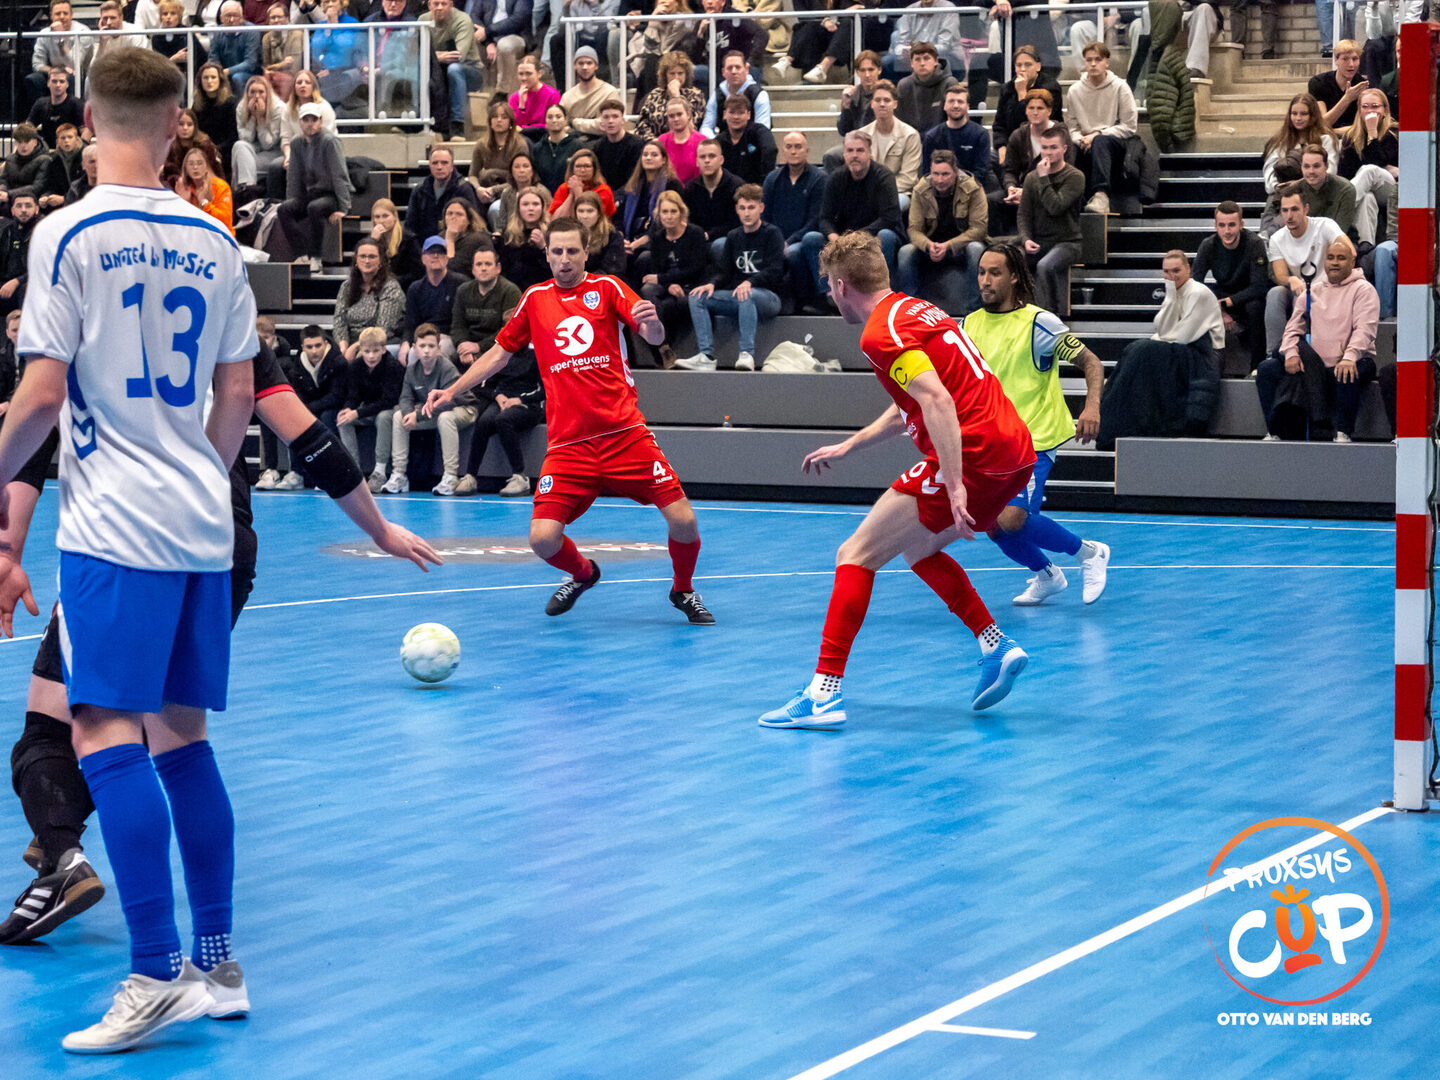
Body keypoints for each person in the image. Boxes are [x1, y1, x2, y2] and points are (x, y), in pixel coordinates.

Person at [0, 45, 257, 1053]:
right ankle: (218, 965)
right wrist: (191, 472)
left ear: (87, 124)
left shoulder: (66, 233)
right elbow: (237, 394)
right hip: (202, 520)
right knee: (183, 742)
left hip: (115, 526)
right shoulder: (217, 239)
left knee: (104, 733)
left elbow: (41, 396)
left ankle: (153, 974)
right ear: (174, 126)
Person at [757, 232, 1035, 729]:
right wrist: (851, 444)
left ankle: (824, 694)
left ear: (841, 286)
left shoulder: (878, 334)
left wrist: (955, 484)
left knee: (854, 554)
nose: (829, 293)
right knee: (918, 550)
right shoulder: (915, 310)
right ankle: (995, 645)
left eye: (829, 284)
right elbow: (917, 398)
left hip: (974, 452)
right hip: (1015, 451)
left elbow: (937, 401)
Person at [425, 216, 716, 624]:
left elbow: (652, 335)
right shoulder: (535, 299)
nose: (564, 259)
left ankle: (682, 590)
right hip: (569, 445)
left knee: (684, 521)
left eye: (572, 251)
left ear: (586, 253)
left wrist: (653, 324)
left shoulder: (608, 288)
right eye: (557, 251)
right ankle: (583, 573)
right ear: (547, 255)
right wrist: (452, 390)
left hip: (624, 434)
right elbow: (498, 355)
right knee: (543, 540)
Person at [963, 242, 1109, 605]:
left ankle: (1089, 553)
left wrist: (1091, 407)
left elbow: (1091, 362)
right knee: (992, 525)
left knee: (1012, 518)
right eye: (981, 272)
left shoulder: (1039, 323)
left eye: (995, 273)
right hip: (990, 442)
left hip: (1032, 439)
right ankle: (1047, 576)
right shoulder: (969, 324)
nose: (985, 280)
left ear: (1014, 277)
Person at [1259, 235, 1379, 443]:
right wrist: (1291, 354)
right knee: (1267, 369)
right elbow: (1292, 329)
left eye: (1341, 258)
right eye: (1330, 258)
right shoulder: (1312, 290)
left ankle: (1343, 432)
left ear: (1352, 262)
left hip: (1354, 358)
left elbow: (1364, 330)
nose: (1334, 262)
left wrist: (1350, 357)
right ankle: (1275, 430)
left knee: (1347, 372)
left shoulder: (1364, 290)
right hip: (1314, 364)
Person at [455, 253, 541, 497]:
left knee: (503, 420)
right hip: (502, 398)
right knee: (484, 421)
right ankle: (470, 475)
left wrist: (519, 400)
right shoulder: (501, 353)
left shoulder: (536, 352)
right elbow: (484, 384)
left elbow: (544, 389)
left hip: (530, 403)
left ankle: (520, 477)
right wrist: (499, 396)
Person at [678, 184, 785, 372]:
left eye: (751, 207)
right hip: (739, 296)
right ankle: (706, 356)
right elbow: (725, 272)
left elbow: (775, 270)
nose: (747, 213)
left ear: (761, 208)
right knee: (697, 296)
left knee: (746, 293)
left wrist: (750, 282)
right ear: (737, 209)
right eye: (742, 208)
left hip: (768, 297)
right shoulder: (734, 236)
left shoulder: (772, 233)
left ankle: (746, 354)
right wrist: (712, 284)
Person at [804, 131, 904, 294]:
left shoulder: (884, 177)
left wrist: (856, 238)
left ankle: (880, 293)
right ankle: (831, 294)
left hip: (874, 236)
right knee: (811, 239)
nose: (854, 155)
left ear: (870, 153)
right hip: (843, 239)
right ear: (844, 154)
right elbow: (824, 218)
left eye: (860, 150)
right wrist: (834, 238)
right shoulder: (836, 178)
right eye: (850, 150)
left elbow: (890, 218)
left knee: (886, 236)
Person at [385, 323, 479, 493]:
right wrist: (409, 414)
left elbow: (447, 402)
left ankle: (450, 477)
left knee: (445, 417)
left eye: (431, 346)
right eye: (422, 346)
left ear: (438, 348)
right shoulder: (411, 370)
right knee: (399, 416)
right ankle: (399, 475)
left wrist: (417, 415)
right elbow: (405, 398)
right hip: (434, 411)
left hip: (464, 408)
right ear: (414, 348)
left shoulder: (446, 367)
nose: (427, 351)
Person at [897, 150, 987, 315]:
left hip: (961, 247)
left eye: (945, 174)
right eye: (935, 174)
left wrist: (949, 245)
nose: (939, 179)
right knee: (905, 252)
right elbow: (914, 229)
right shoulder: (920, 189)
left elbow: (979, 229)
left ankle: (974, 311)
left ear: (956, 171)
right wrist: (928, 245)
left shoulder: (972, 188)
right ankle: (911, 311)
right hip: (931, 247)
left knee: (976, 249)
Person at [1264, 183, 1343, 362]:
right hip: (1301, 289)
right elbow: (1280, 275)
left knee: (1303, 297)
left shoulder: (1325, 225)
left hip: (1328, 288)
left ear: (1306, 209)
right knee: (1276, 293)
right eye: (1285, 210)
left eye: (1294, 209)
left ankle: (1306, 354)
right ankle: (1274, 355)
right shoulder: (1277, 238)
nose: (1289, 215)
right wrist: (1291, 279)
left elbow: (1348, 251)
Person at [1192, 200, 1271, 371]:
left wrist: (1227, 302)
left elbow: (1259, 286)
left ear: (1241, 225)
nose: (1227, 231)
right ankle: (1204, 368)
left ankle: (1257, 367)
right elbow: (1194, 283)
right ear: (1216, 226)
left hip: (1248, 296)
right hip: (1222, 294)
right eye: (1222, 225)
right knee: (1195, 301)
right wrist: (1219, 309)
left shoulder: (1254, 243)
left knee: (1255, 306)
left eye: (1232, 225)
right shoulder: (1208, 245)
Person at [1017, 125, 1084, 317]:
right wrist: (1025, 239)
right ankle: (1016, 312)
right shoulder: (1031, 178)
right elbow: (1023, 214)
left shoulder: (1075, 177)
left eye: (1053, 147)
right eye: (1044, 147)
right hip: (1039, 240)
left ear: (1064, 149)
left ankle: (1051, 316)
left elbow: (1055, 207)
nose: (1048, 152)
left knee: (1045, 266)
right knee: (1009, 257)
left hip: (1067, 242)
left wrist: (1044, 178)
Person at [1065, 42, 1137, 216]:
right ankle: (1070, 197)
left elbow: (1129, 126)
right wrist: (1081, 140)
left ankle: (1101, 195)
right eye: (1089, 60)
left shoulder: (1120, 87)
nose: (1093, 64)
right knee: (1068, 147)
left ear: (1107, 62)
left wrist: (1097, 134)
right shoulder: (1074, 91)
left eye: (1098, 59)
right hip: (1085, 143)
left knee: (1100, 141)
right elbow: (1072, 128)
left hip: (1114, 144)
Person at [637, 191, 707, 368]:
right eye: (665, 212)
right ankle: (663, 347)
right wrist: (668, 284)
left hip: (691, 284)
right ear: (659, 215)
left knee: (672, 304)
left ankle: (663, 347)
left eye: (673, 211)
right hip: (666, 284)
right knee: (647, 290)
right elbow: (656, 269)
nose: (669, 216)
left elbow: (696, 269)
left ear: (681, 213)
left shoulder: (695, 233)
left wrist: (663, 279)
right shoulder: (658, 238)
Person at [279, 102, 352, 272]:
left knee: (315, 207)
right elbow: (294, 177)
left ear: (320, 121)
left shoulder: (330, 141)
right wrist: (292, 201)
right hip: (311, 193)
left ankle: (316, 256)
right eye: (306, 120)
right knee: (284, 209)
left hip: (330, 194)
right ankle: (301, 254)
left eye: (314, 119)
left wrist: (344, 207)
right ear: (300, 122)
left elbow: (339, 175)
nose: (310, 123)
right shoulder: (296, 143)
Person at [763, 131, 826, 304]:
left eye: (798, 147)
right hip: (775, 239)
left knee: (793, 252)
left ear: (807, 151)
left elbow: (815, 220)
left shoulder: (819, 179)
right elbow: (765, 215)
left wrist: (789, 242)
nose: (793, 151)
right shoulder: (772, 179)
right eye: (789, 147)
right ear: (783, 151)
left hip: (802, 240)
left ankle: (808, 302)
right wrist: (775, 241)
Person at [337, 325, 406, 474]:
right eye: (367, 351)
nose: (371, 356)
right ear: (361, 350)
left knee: (383, 417)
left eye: (376, 351)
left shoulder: (392, 366)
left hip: (390, 408)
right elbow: (353, 395)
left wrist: (358, 413)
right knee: (343, 420)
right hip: (368, 409)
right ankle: (353, 470)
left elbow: (389, 400)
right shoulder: (356, 366)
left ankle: (379, 470)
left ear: (384, 349)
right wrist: (348, 408)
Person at [1338, 88, 1397, 248]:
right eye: (1365, 107)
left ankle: (1336, 215)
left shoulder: (1394, 132)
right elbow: (1345, 174)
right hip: (1365, 188)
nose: (1370, 111)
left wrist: (1372, 132)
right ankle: (1366, 248)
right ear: (1359, 110)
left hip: (1390, 190)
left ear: (1385, 109)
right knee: (1366, 199)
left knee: (1369, 170)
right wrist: (1387, 166)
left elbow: (1377, 161)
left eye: (1375, 106)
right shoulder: (1351, 136)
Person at [420, 0, 483, 139]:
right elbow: (415, 53)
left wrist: (430, 55)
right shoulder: (423, 20)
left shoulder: (462, 20)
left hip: (470, 70)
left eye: (444, 4)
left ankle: (457, 126)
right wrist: (438, 56)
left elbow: (458, 56)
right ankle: (417, 124)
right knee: (423, 71)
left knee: (454, 70)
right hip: (440, 68)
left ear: (451, 5)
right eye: (436, 4)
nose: (439, 7)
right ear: (429, 5)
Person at [333, 238, 407, 358]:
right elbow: (339, 321)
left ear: (380, 261)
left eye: (372, 257)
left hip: (377, 344)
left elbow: (383, 327)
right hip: (349, 344)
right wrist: (343, 347)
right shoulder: (346, 286)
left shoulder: (391, 287)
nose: (367, 261)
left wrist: (356, 347)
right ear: (356, 260)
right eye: (362, 256)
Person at [858, 81, 922, 209]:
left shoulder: (910, 135)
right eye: (878, 100)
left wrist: (881, 191)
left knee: (894, 203)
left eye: (887, 100)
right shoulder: (862, 135)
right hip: (868, 191)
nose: (882, 104)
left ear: (895, 104)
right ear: (872, 104)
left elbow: (908, 178)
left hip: (899, 192)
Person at [1261, 94, 1337, 200]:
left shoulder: (1325, 140)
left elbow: (1330, 172)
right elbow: (1269, 174)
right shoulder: (1280, 141)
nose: (1298, 118)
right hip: (1284, 194)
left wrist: (1299, 185)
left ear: (1313, 116)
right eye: (1294, 113)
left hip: (1316, 194)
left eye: (1304, 114)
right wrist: (1280, 187)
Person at [403, 236, 467, 360]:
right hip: (423, 337)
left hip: (450, 338)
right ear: (423, 259)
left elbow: (462, 323)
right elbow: (410, 324)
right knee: (411, 354)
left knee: (437, 352)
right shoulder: (415, 288)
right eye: (431, 252)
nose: (436, 255)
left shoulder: (461, 284)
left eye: (441, 252)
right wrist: (405, 343)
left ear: (447, 258)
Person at [991, 44, 1062, 155]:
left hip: (1044, 141)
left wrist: (1022, 93)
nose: (1023, 69)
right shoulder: (1007, 89)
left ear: (1038, 66)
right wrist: (1001, 147)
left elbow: (1032, 122)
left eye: (1028, 65)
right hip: (1012, 144)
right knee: (992, 157)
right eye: (1019, 65)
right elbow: (999, 125)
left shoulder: (1051, 88)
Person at [615, 139, 683, 254]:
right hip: (630, 237)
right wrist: (621, 237)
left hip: (658, 239)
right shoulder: (633, 185)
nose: (648, 158)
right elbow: (618, 217)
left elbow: (670, 220)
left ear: (663, 160)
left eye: (654, 155)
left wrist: (641, 241)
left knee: (644, 257)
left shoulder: (672, 185)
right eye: (645, 154)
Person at [406, 144, 480, 243]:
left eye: (444, 163)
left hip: (456, 244)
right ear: (430, 165)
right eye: (435, 163)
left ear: (452, 166)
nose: (439, 167)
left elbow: (474, 224)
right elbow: (410, 227)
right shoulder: (420, 190)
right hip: (424, 246)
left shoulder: (464, 189)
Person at [683, 140, 742, 254]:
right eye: (702, 157)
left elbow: (736, 223)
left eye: (712, 156)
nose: (707, 161)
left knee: (719, 246)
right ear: (697, 162)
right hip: (698, 240)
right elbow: (687, 219)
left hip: (728, 241)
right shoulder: (690, 188)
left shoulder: (736, 187)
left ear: (721, 160)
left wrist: (708, 235)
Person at [233, 75, 287, 198]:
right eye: (252, 92)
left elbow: (268, 144)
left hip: (273, 153)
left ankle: (244, 192)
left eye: (261, 92)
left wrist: (260, 119)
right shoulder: (241, 107)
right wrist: (252, 118)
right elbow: (245, 139)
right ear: (247, 93)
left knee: (241, 164)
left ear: (267, 93)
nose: (256, 96)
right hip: (252, 151)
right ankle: (249, 188)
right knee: (239, 146)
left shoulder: (278, 108)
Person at [921, 83, 989, 179]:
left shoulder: (980, 134)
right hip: (938, 185)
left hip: (971, 186)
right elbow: (927, 173)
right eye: (951, 101)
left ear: (968, 106)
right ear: (944, 106)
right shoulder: (932, 136)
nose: (956, 105)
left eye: (960, 102)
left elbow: (981, 172)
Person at [635, 50, 706, 140]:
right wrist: (655, 142)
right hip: (656, 144)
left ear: (686, 74)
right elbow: (642, 125)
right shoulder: (655, 94)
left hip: (685, 143)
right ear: (665, 75)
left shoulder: (696, 95)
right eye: (672, 73)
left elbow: (691, 128)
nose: (676, 77)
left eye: (680, 73)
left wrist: (676, 97)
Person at [701, 50, 773, 137]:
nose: (734, 71)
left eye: (738, 67)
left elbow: (763, 130)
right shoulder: (717, 95)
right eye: (729, 68)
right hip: (723, 144)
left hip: (753, 143)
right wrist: (715, 143)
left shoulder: (760, 95)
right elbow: (706, 127)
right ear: (723, 72)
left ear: (746, 69)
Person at [28, 1, 83, 106]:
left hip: (77, 74)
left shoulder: (82, 31)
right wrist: (53, 71)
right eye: (58, 14)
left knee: (70, 78)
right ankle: (39, 113)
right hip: (53, 72)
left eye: (65, 13)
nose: (62, 17)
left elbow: (75, 63)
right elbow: (37, 64)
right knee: (33, 79)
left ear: (71, 15)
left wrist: (61, 38)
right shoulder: (44, 33)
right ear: (51, 16)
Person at [497, 187, 553, 291]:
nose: (530, 208)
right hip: (516, 291)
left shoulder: (552, 233)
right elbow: (505, 271)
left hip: (543, 289)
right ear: (518, 209)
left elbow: (556, 270)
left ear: (542, 208)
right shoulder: (509, 235)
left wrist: (543, 247)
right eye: (525, 204)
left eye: (535, 204)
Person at [716, 94, 778, 186]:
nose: (736, 117)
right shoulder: (719, 140)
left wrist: (764, 184)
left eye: (740, 113)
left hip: (757, 190)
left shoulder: (760, 132)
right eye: (732, 112)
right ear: (725, 114)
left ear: (748, 115)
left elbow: (771, 150)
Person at [896, 41, 957, 135]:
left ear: (936, 61)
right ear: (911, 63)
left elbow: (955, 121)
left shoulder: (949, 83)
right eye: (917, 59)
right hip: (912, 140)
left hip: (942, 139)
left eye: (926, 58)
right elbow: (900, 122)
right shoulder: (904, 85)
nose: (922, 63)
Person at [192, 61, 239, 176]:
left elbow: (233, 136)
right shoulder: (197, 105)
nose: (209, 81)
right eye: (205, 78)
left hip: (224, 152)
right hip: (201, 150)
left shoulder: (230, 103)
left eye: (213, 77)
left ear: (220, 80)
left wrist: (216, 149)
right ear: (200, 81)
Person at [174, 146, 235, 233]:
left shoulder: (220, 186)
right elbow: (178, 223)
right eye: (191, 164)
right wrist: (184, 202)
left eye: (199, 163)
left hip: (219, 236)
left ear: (206, 166)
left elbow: (225, 221)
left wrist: (204, 204)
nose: (195, 167)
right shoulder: (184, 188)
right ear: (186, 169)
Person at [561, 45, 620, 135]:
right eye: (581, 63)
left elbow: (607, 124)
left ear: (596, 66)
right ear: (575, 66)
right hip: (574, 140)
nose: (585, 67)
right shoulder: (567, 96)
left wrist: (574, 122)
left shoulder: (609, 92)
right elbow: (561, 125)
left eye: (589, 63)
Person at [1309, 39, 1366, 130]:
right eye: (1345, 59)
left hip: (1353, 136)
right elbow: (1322, 124)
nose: (1351, 64)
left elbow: (1361, 128)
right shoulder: (1319, 82)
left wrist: (1334, 132)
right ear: (1336, 60)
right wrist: (1347, 99)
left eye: (1355, 59)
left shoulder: (1363, 85)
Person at [533, 105, 589, 196]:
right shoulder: (538, 148)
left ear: (565, 120)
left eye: (558, 117)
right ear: (545, 121)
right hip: (544, 197)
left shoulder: (577, 146)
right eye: (550, 117)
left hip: (570, 195)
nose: (554, 120)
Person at [593, 99, 644, 198]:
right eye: (606, 117)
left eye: (615, 116)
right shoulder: (598, 146)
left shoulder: (636, 144)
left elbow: (636, 178)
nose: (610, 121)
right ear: (602, 122)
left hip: (630, 195)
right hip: (605, 195)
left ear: (623, 121)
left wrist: (616, 197)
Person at [209, 1, 263, 95]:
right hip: (224, 73)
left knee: (237, 77)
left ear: (242, 17)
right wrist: (215, 71)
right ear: (221, 18)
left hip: (249, 74)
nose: (231, 20)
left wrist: (228, 71)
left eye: (235, 16)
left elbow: (250, 63)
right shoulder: (217, 32)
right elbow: (213, 59)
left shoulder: (251, 31)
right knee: (208, 76)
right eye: (228, 16)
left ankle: (241, 104)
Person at [370, 197, 423, 289]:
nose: (381, 221)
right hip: (377, 289)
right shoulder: (371, 240)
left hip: (403, 288)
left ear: (395, 216)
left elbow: (419, 272)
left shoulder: (408, 240)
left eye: (385, 216)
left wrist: (394, 281)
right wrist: (373, 242)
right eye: (377, 217)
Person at [0, 129, 57, 215]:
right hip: (10, 200)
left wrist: (9, 194)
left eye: (27, 142)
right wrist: (2, 191)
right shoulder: (10, 159)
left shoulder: (45, 160)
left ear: (35, 142)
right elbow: (3, 180)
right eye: (19, 142)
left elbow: (38, 186)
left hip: (33, 201)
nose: (23, 146)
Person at [547, 148, 615, 220]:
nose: (582, 170)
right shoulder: (564, 188)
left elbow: (588, 219)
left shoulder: (603, 190)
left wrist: (578, 192)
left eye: (587, 166)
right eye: (578, 166)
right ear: (572, 169)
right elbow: (555, 220)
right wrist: (571, 195)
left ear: (594, 169)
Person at [27, 68, 85, 151]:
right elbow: (27, 131)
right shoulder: (40, 104)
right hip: (47, 153)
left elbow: (85, 132)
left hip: (70, 153)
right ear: (48, 83)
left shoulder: (76, 104)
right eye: (54, 81)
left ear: (67, 84)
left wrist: (79, 152)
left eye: (62, 81)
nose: (58, 85)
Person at [0, 194, 38, 318]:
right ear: (12, 210)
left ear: (36, 209)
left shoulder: (41, 231)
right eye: (19, 206)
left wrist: (17, 281)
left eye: (28, 206)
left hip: (29, 282)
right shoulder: (8, 230)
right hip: (6, 283)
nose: (23, 210)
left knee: (25, 289)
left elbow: (44, 267)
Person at [574, 191, 627, 276]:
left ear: (599, 213)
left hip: (602, 281)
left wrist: (585, 279)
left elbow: (614, 269)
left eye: (590, 211)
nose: (585, 216)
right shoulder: (570, 234)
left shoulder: (612, 235)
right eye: (581, 211)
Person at [471, 101, 529, 175]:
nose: (499, 120)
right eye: (495, 116)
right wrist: (477, 184)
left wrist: (491, 174)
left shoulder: (520, 145)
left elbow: (521, 175)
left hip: (511, 182)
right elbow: (473, 175)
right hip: (485, 182)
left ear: (510, 123)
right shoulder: (481, 145)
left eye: (504, 117)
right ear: (490, 122)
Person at [835, 50, 882, 138]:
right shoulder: (852, 95)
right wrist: (846, 107)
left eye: (871, 70)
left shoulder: (887, 94)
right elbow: (843, 131)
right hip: (858, 141)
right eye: (863, 70)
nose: (867, 75)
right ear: (857, 72)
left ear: (879, 70)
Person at [510, 54, 562, 130]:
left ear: (539, 74)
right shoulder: (514, 98)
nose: (524, 78)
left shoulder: (552, 95)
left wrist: (525, 129)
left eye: (528, 74)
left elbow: (552, 124)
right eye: (521, 74)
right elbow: (514, 127)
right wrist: (521, 106)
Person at [261, 2, 302, 100]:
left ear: (287, 18)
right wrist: (283, 64)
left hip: (292, 76)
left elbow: (294, 66)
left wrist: (273, 67)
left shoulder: (297, 34)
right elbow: (266, 66)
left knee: (283, 80)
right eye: (273, 17)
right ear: (269, 21)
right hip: (272, 76)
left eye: (279, 17)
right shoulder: (266, 38)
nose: (276, 20)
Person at [658, 97, 703, 186]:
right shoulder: (662, 141)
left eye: (679, 114)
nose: (676, 119)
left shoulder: (701, 141)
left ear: (688, 115)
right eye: (671, 116)